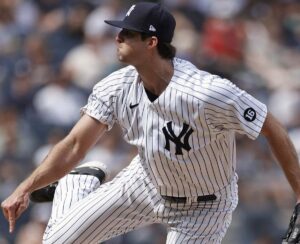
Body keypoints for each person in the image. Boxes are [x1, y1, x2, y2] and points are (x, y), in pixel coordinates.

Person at [2, 2, 300, 243]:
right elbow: (75, 145)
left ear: (151, 42)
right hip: (146, 183)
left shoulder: (207, 92)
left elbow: (271, 126)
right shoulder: (116, 86)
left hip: (203, 208)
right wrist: (25, 188)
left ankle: (76, 183)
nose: (117, 38)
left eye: (127, 33)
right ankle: (79, 181)